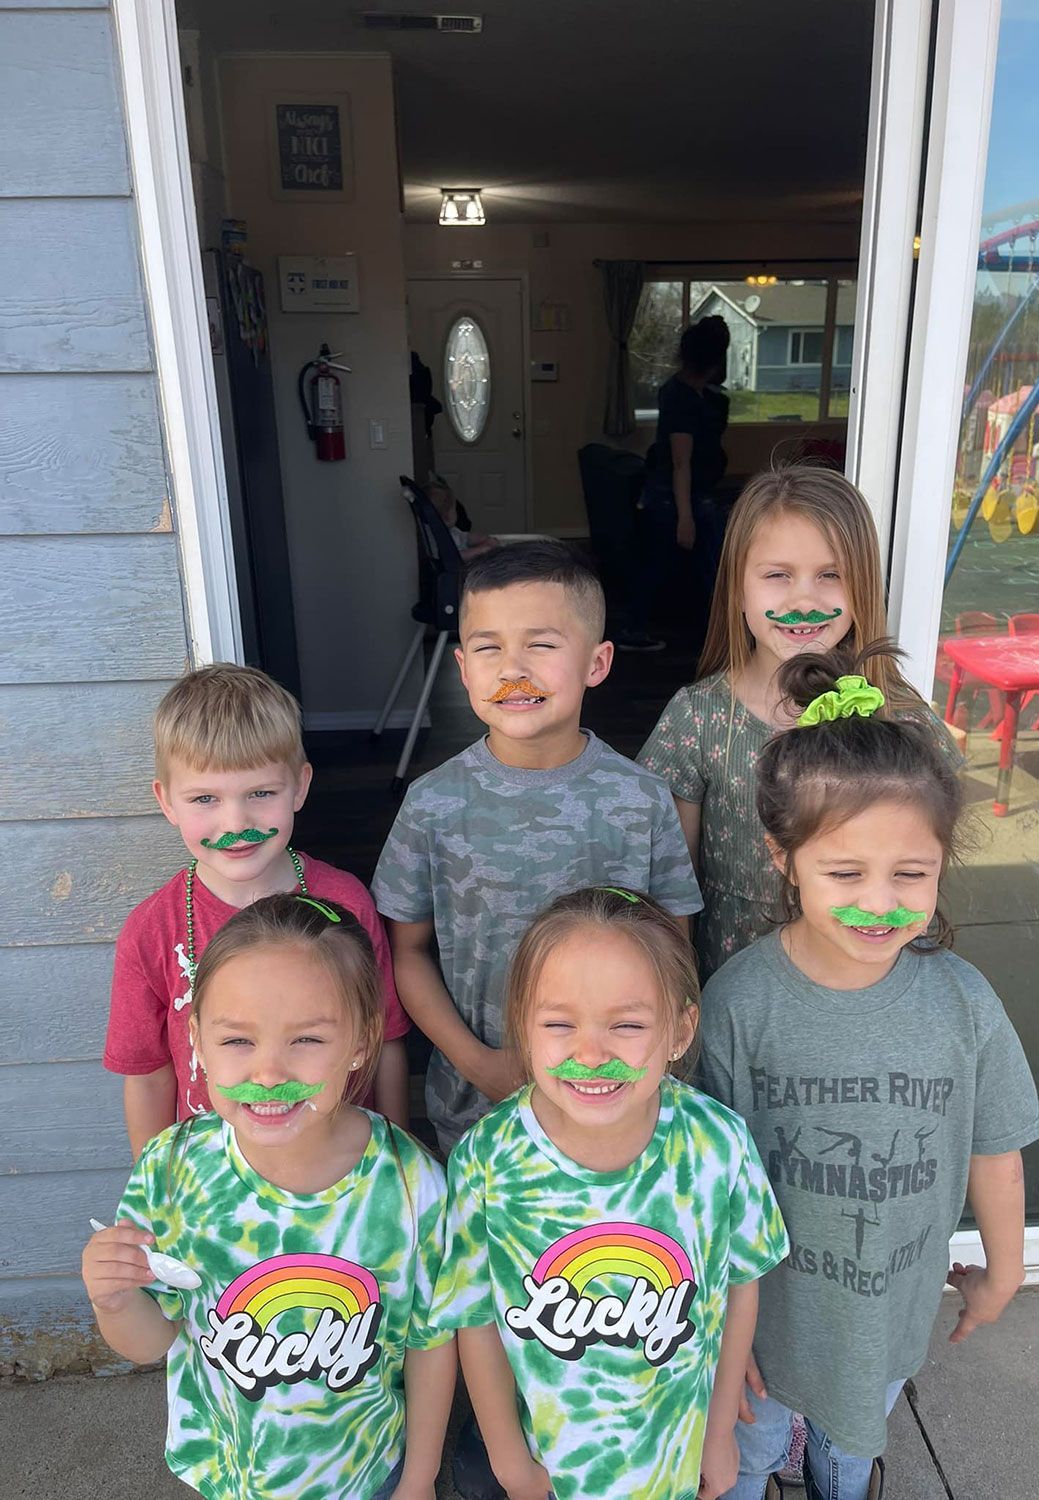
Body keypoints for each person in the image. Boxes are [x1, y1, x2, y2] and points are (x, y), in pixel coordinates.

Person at [697, 642, 1039, 1500]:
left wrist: (1004, 1269)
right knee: (745, 1457)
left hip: (886, 1318)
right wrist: (713, 1332)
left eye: (910, 874)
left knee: (848, 1456)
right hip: (761, 1326)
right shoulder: (740, 1001)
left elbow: (995, 1147)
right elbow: (699, 1179)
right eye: (844, 871)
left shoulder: (962, 1001)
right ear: (783, 860)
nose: (878, 900)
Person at [82, 894, 455, 1500]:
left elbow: (432, 1344)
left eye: (306, 1039)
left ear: (361, 1042)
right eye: (237, 1042)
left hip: (368, 1474)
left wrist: (418, 1478)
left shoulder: (412, 1186)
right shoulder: (174, 1169)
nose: (268, 1072)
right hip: (226, 1471)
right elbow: (153, 1342)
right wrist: (115, 1302)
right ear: (197, 1041)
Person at [432, 887, 789, 1500]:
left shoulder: (715, 1142)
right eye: (559, 1024)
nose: (591, 1054)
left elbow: (740, 1282)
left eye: (626, 1025)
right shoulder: (489, 1159)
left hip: (677, 1453)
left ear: (680, 1028)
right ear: (522, 1024)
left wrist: (721, 1426)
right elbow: (476, 1316)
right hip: (553, 1465)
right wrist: (507, 1455)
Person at [374, 542, 702, 1157]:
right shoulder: (431, 803)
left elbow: (673, 954)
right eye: (489, 647)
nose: (512, 668)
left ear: (597, 663)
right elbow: (407, 954)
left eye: (542, 645)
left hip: (617, 1103)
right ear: (463, 666)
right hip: (478, 1110)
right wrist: (479, 1062)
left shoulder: (643, 801)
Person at [639, 464, 952, 983]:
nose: (804, 599)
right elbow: (671, 881)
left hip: (866, 988)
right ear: (737, 589)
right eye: (777, 575)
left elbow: (924, 872)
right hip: (733, 979)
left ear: (864, 586)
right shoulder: (699, 718)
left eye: (831, 575)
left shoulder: (902, 716)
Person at [103, 664, 411, 1154]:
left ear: (300, 786)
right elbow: (145, 1074)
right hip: (215, 1176)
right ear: (167, 802)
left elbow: (387, 1039)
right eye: (205, 798)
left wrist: (399, 1152)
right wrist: (156, 1187)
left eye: (261, 794)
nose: (236, 822)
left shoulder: (345, 902)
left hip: (342, 1164)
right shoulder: (151, 929)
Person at [621, 314, 731, 651]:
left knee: (701, 567)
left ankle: (716, 638)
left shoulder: (703, 397)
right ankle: (635, 631)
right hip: (675, 499)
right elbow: (681, 462)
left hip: (691, 496)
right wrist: (685, 517)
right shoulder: (679, 398)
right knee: (662, 565)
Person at [426, 472, 498, 560]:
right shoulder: (438, 538)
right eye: (454, 509)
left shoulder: (452, 530)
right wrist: (481, 550)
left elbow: (464, 538)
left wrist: (483, 539)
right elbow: (453, 556)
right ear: (447, 517)